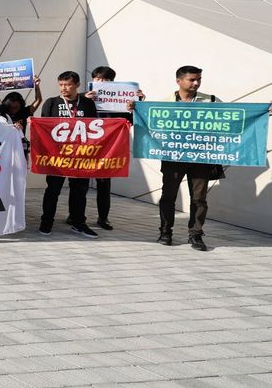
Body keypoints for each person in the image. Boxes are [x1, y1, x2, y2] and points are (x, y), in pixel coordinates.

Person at [155, 66, 219, 250]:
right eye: (192, 79)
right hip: (173, 158)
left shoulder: (212, 100)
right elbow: (151, 121)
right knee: (168, 196)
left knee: (199, 199)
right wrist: (135, 106)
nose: (196, 83)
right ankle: (165, 231)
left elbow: (235, 117)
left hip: (201, 158)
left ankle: (196, 235)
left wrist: (263, 111)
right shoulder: (165, 102)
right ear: (179, 81)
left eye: (199, 79)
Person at [83, 66, 145, 231]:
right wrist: (83, 99)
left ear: (112, 83)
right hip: (85, 147)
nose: (100, 82)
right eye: (97, 79)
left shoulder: (121, 102)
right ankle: (75, 216)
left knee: (104, 185)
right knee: (79, 184)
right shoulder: (83, 98)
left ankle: (103, 218)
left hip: (107, 149)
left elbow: (131, 121)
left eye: (105, 80)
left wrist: (138, 104)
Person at [39, 71, 99, 239]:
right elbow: (44, 128)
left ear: (77, 85)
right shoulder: (51, 103)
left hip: (80, 156)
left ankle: (78, 223)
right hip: (57, 157)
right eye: (61, 85)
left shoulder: (87, 104)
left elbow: (96, 128)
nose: (64, 88)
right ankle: (46, 222)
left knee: (79, 191)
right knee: (53, 190)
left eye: (68, 84)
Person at [2, 76, 43, 156]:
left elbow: (38, 100)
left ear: (21, 105)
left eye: (16, 107)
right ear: (6, 105)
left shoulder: (24, 111)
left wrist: (37, 85)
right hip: (4, 146)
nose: (13, 110)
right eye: (11, 107)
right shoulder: (1, 112)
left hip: (20, 146)